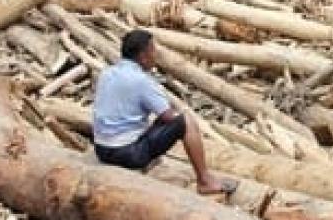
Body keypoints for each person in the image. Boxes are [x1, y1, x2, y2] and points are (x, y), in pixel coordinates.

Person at [92, 30, 235, 194]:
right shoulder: (142, 81)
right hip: (126, 154)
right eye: (153, 50)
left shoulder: (107, 73)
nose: (156, 55)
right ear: (143, 56)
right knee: (186, 122)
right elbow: (167, 115)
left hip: (102, 149)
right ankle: (204, 180)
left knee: (158, 122)